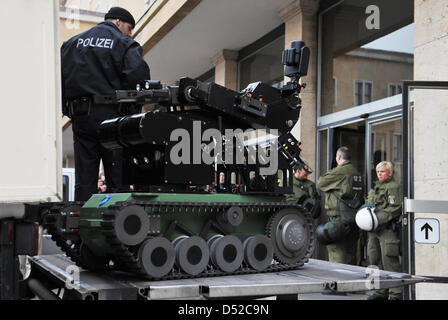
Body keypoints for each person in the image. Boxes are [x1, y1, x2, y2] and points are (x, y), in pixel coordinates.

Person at [61, 7, 151, 201]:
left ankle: (83, 221)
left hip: (82, 117)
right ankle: (115, 225)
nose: (130, 33)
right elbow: (139, 81)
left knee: (85, 179)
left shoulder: (71, 44)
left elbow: (57, 81)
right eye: (129, 28)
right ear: (118, 22)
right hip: (112, 118)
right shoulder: (124, 43)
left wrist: (68, 110)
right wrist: (131, 115)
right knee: (117, 177)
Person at [316, 146, 363, 265]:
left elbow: (321, 183)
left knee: (337, 255)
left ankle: (341, 282)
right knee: (351, 254)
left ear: (338, 157)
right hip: (354, 219)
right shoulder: (356, 172)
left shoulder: (340, 171)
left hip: (338, 219)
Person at [365, 161, 402, 300]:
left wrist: (378, 218)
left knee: (389, 262)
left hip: (387, 230)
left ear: (390, 173)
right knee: (374, 260)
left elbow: (395, 208)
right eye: (378, 172)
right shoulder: (374, 188)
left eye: (382, 171)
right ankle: (379, 292)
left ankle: (395, 293)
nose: (379, 174)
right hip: (374, 230)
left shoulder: (394, 187)